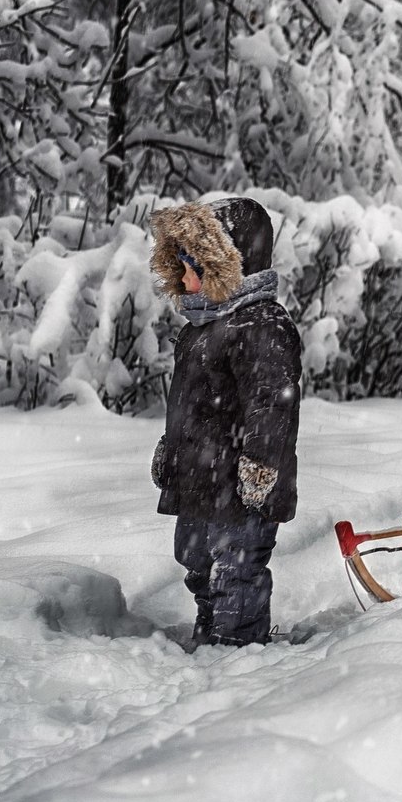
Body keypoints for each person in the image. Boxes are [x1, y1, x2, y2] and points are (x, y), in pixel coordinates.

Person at [148, 197, 302, 649]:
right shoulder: (199, 327)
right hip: (199, 477)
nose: (186, 276)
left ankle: (239, 650)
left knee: (236, 568)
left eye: (195, 265)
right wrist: (169, 448)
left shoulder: (262, 325)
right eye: (180, 264)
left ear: (228, 267)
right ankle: (210, 631)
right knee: (197, 560)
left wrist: (261, 464)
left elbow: (273, 404)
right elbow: (187, 405)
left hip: (240, 482)